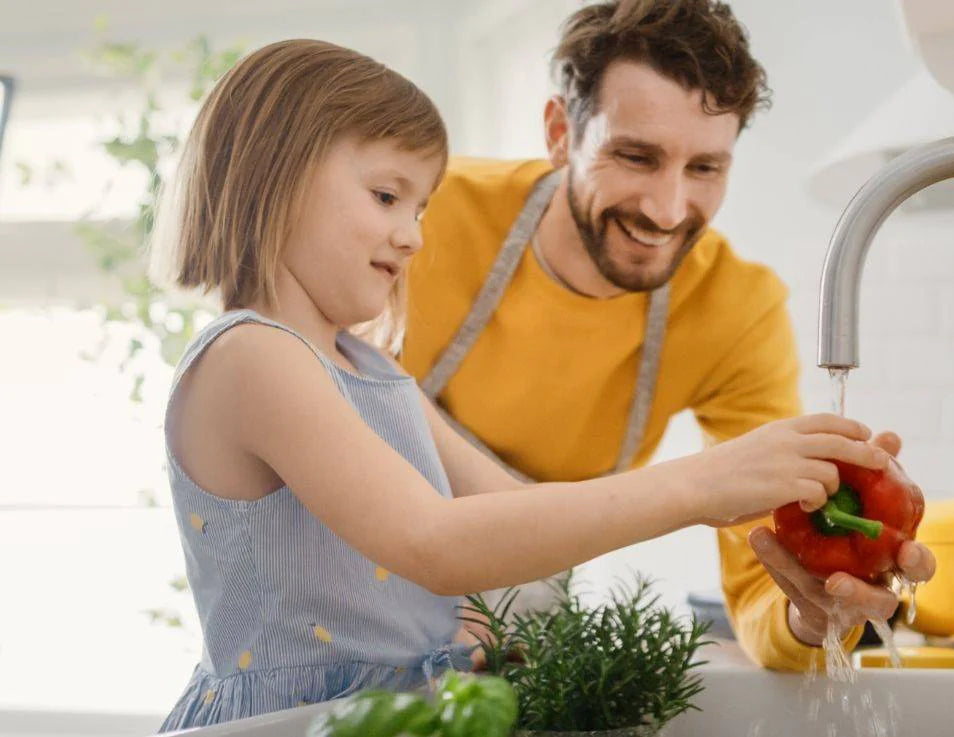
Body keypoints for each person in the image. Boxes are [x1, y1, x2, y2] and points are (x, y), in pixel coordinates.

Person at [152, 38, 889, 730]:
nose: (413, 234)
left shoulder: (372, 372)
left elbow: (516, 519)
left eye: (420, 207)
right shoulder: (254, 358)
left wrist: (803, 509)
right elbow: (433, 540)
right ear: (274, 176)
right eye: (386, 196)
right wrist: (698, 485)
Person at [401, 0, 935, 671]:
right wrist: (700, 485)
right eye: (636, 156)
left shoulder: (735, 308)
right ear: (561, 131)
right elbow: (339, 405)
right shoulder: (429, 214)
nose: (667, 208)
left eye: (705, 168)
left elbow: (758, 586)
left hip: (508, 654)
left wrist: (811, 611)